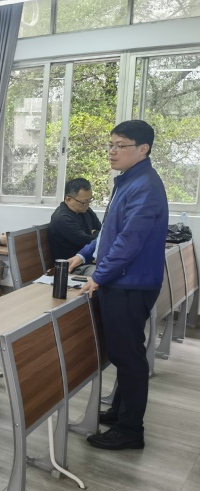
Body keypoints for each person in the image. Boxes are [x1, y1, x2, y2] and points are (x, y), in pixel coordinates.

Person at [67, 120, 168, 451]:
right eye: (110, 144)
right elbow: (109, 232)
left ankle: (130, 430)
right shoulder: (128, 181)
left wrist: (98, 276)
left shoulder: (144, 186)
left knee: (129, 357)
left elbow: (129, 241)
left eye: (120, 145)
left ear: (143, 149)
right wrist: (84, 255)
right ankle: (121, 412)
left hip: (130, 284)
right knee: (127, 352)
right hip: (125, 280)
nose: (112, 151)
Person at [49, 178, 102, 262]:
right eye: (84, 202)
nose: (87, 205)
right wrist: (96, 234)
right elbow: (87, 241)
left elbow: (102, 231)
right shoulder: (63, 218)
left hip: (88, 259)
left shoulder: (85, 210)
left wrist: (96, 233)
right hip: (72, 264)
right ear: (68, 199)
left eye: (89, 201)